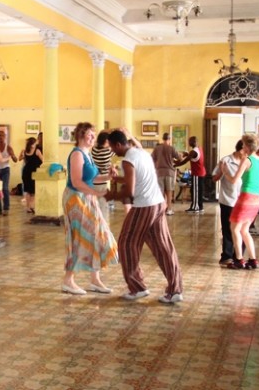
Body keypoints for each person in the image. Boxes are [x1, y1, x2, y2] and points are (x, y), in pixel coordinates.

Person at [106, 129, 183, 304]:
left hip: (144, 207)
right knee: (164, 247)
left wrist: (111, 196)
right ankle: (175, 290)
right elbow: (138, 179)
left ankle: (137, 288)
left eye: (112, 147)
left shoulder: (127, 160)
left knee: (126, 244)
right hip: (158, 203)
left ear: (118, 145)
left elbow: (130, 192)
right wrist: (117, 179)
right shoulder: (142, 153)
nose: (112, 151)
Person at [61, 122, 118, 295]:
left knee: (99, 234)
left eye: (94, 134)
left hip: (88, 197)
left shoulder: (88, 154)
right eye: (90, 135)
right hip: (76, 199)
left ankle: (95, 279)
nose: (93, 137)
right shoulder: (77, 155)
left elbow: (91, 178)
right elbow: (77, 182)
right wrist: (96, 193)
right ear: (80, 136)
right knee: (80, 237)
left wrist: (108, 176)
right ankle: (68, 280)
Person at [221, 133, 259, 270]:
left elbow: (234, 180)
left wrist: (225, 171)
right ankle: (253, 260)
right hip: (257, 197)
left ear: (247, 146)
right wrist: (257, 189)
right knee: (245, 229)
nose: (242, 146)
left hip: (246, 196)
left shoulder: (246, 160)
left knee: (234, 228)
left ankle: (239, 260)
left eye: (243, 144)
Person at [211, 139, 243, 265]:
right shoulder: (226, 160)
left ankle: (238, 255)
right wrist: (221, 171)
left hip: (242, 200)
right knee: (227, 228)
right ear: (240, 149)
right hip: (228, 200)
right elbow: (214, 178)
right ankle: (227, 255)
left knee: (241, 229)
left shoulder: (247, 162)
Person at [151, 132, 181, 216]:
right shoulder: (171, 148)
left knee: (160, 192)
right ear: (169, 139)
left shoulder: (157, 148)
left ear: (162, 138)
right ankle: (169, 209)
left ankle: (160, 209)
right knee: (169, 192)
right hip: (169, 172)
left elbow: (152, 158)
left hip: (159, 172)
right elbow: (179, 158)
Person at [175, 136, 206, 213]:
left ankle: (195, 207)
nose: (188, 143)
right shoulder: (199, 148)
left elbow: (184, 161)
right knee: (199, 190)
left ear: (193, 142)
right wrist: (186, 154)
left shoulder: (193, 152)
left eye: (189, 141)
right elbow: (191, 156)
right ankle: (200, 206)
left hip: (197, 174)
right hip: (201, 173)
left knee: (195, 191)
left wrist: (174, 165)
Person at [91, 131, 115, 218]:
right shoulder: (107, 152)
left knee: (94, 206)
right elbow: (117, 151)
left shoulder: (94, 149)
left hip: (93, 181)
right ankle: (102, 227)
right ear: (106, 141)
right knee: (103, 207)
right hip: (102, 182)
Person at [0, 130, 18, 216]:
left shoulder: (8, 148)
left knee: (5, 188)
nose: (1, 137)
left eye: (2, 136)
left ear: (5, 137)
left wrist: (13, 156)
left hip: (5, 169)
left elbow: (15, 160)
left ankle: (6, 207)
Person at [19, 136, 43, 213]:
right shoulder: (37, 151)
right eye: (34, 143)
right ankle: (31, 206)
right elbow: (43, 160)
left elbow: (20, 158)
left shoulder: (25, 151)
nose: (36, 144)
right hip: (32, 172)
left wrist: (22, 155)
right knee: (32, 191)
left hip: (26, 171)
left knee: (29, 190)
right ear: (32, 144)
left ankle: (29, 207)